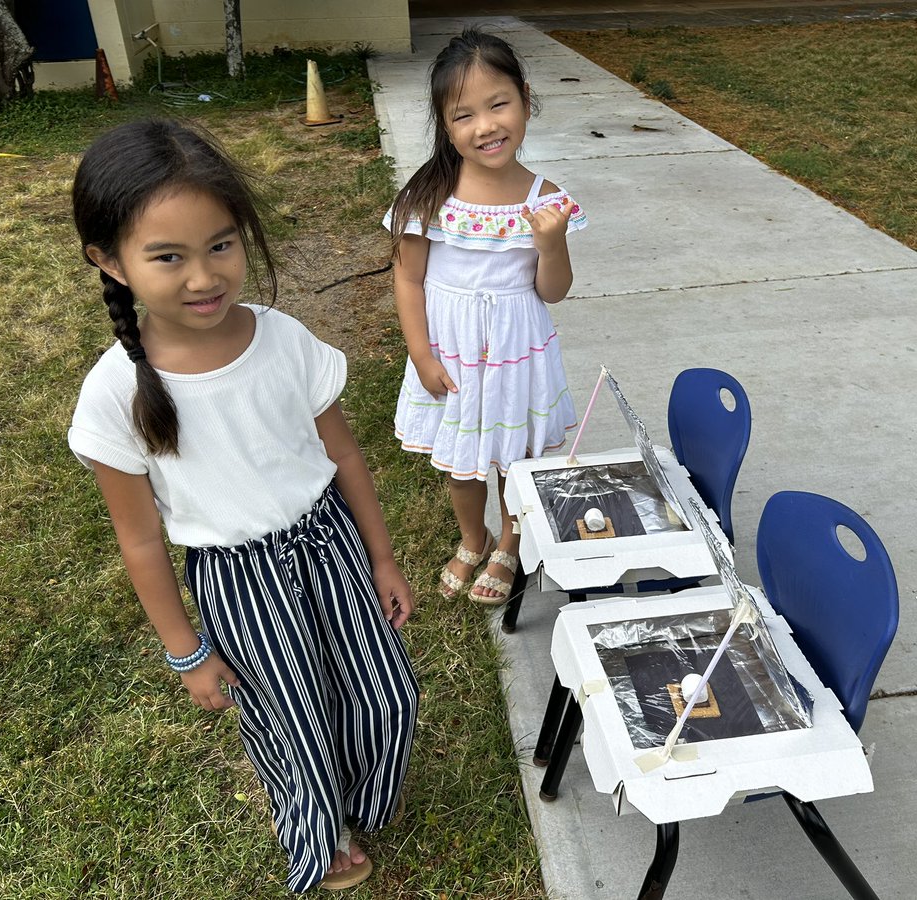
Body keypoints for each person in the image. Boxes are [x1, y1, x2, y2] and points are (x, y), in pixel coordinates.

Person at [67, 119, 417, 893]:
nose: (203, 277)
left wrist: (382, 557)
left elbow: (345, 454)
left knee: (385, 690)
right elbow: (142, 542)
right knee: (293, 720)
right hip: (238, 578)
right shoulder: (114, 396)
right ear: (108, 260)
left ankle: (360, 793)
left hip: (331, 547)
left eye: (220, 245)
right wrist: (187, 652)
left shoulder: (283, 339)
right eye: (167, 257)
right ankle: (320, 834)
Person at [386, 28, 588, 606]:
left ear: (525, 98)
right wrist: (422, 354)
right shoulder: (429, 196)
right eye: (464, 114)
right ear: (446, 126)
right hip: (451, 353)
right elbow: (409, 276)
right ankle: (471, 537)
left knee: (514, 458)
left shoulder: (546, 199)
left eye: (498, 104)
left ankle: (508, 541)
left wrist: (551, 245)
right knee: (464, 461)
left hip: (516, 351)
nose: (485, 126)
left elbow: (554, 291)